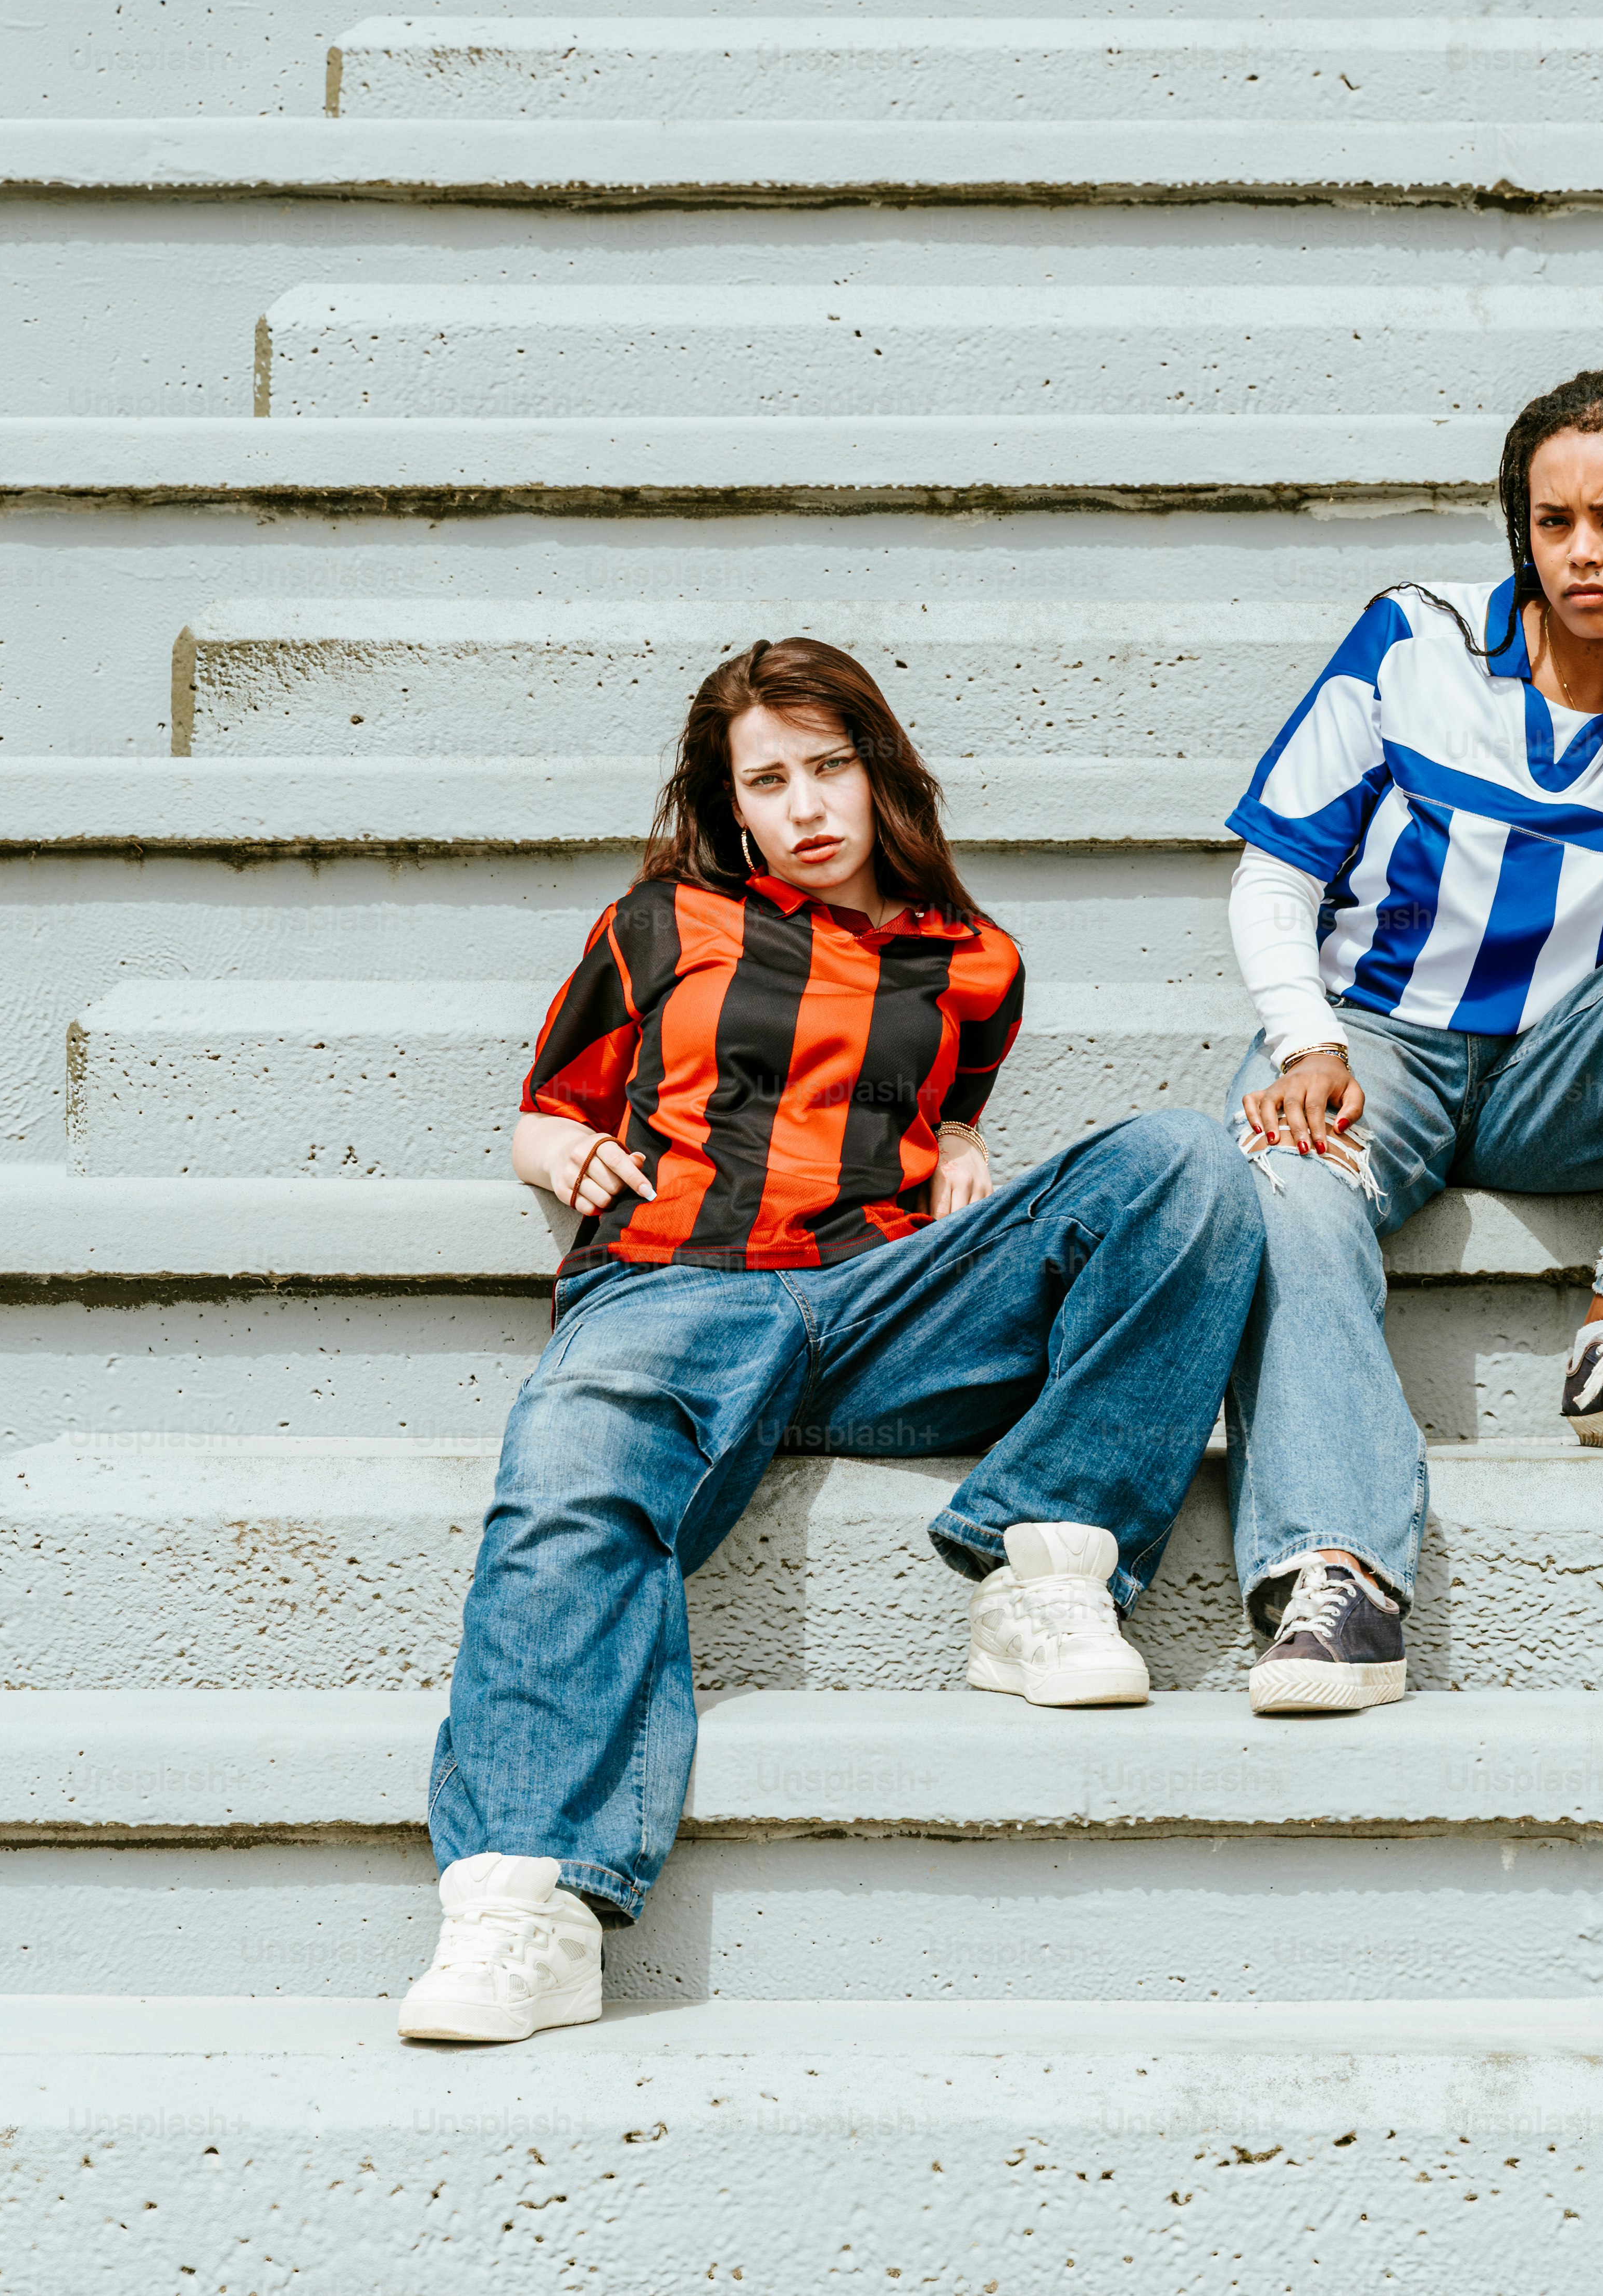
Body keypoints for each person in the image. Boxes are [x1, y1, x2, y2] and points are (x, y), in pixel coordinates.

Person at [394, 637, 1262, 2045]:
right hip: (671, 1291)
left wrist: (969, 1139)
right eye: (769, 780)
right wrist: (553, 1145)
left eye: (827, 767)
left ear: (880, 770)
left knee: (1189, 1167)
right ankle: (526, 1901)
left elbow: (947, 1099)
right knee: (568, 1463)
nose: (803, 804)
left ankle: (1048, 1560)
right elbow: (549, 1101)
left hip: (883, 1304)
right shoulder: (660, 924)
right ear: (733, 806)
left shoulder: (975, 962)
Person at [1220, 366, 1603, 1720]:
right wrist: (1300, 1042)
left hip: (1553, 1069)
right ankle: (1338, 1568)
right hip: (1380, 1046)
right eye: (1552, 519)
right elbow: (1273, 878)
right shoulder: (1414, 638)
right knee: (1281, 1185)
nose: (1579, 552)